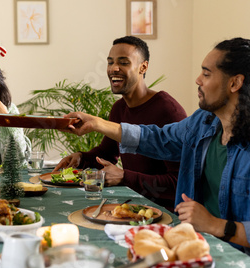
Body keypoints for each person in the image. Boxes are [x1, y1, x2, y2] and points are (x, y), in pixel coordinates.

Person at [61, 38, 250, 268]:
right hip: (198, 254)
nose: (198, 80)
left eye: (206, 73)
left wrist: (216, 225)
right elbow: (160, 138)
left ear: (235, 83)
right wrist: (96, 123)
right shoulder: (205, 122)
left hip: (247, 267)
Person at [54, 36, 186, 211]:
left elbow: (179, 183)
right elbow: (107, 153)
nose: (114, 68)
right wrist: (81, 158)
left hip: (166, 213)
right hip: (133, 207)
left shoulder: (168, 110)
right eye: (110, 63)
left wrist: (125, 177)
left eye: (123, 63)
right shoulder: (119, 108)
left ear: (143, 67)